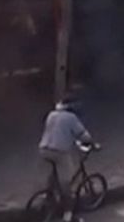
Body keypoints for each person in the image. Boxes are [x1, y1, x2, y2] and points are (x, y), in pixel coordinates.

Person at [38, 94, 93, 222]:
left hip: (44, 149)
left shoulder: (51, 114)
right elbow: (82, 134)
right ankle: (68, 215)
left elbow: (56, 132)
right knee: (66, 184)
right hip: (59, 152)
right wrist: (92, 143)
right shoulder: (71, 118)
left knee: (54, 176)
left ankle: (49, 197)